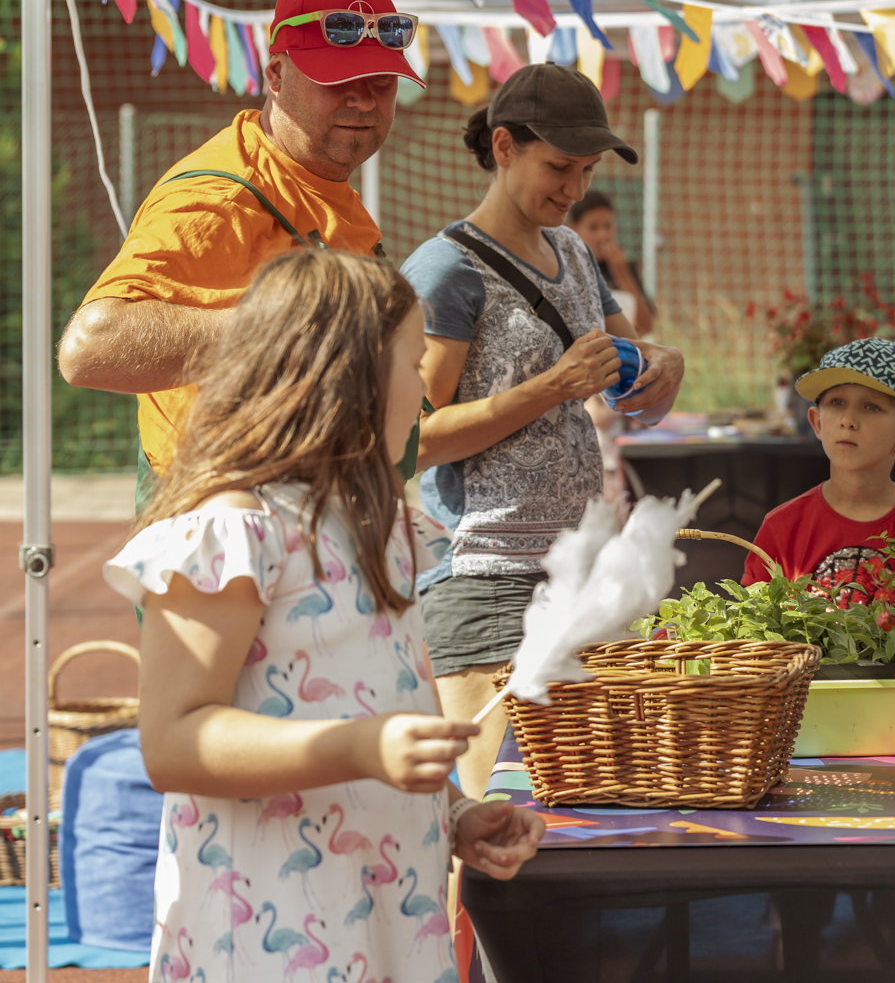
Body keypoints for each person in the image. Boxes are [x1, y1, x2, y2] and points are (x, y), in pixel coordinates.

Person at [102, 249, 543, 983]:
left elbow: (390, 701)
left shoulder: (383, 529)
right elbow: (172, 739)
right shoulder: (233, 532)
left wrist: (455, 811)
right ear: (346, 381)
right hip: (267, 932)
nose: (429, 397)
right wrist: (362, 747)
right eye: (413, 366)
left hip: (390, 911)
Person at [401, 64, 685, 801]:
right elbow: (411, 437)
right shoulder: (445, 271)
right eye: (559, 167)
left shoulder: (578, 254)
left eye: (586, 170)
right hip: (484, 575)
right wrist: (550, 388)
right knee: (493, 809)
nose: (573, 189)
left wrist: (663, 368)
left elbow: (635, 385)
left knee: (591, 810)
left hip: (582, 570)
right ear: (503, 147)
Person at [57, 0, 422, 500]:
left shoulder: (323, 182)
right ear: (276, 75)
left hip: (311, 506)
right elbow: (89, 349)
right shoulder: (221, 194)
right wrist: (297, 323)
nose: (363, 101)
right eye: (338, 81)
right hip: (220, 520)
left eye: (381, 83)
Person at [742, 338, 895, 587]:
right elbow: (755, 622)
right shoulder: (782, 527)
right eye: (837, 403)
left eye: (871, 406)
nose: (848, 420)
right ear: (817, 422)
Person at [568, 191, 655, 335]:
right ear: (573, 228)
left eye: (607, 226)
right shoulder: (566, 266)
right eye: (593, 228)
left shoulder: (622, 266)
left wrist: (621, 271)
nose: (603, 235)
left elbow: (645, 325)